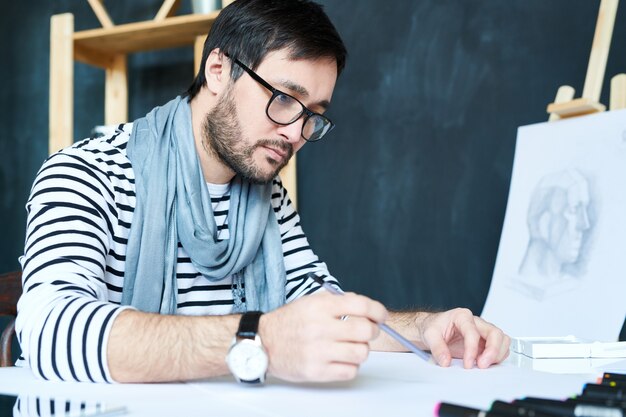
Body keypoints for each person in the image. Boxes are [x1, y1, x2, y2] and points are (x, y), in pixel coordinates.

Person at [17, 0, 510, 384]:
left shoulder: (265, 197)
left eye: (313, 113)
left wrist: (421, 329)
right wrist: (260, 341)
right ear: (218, 70)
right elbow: (48, 333)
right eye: (283, 98)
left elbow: (323, 308)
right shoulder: (85, 172)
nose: (296, 132)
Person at [519, 168, 591, 281]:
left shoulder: (567, 287)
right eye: (573, 210)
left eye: (585, 210)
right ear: (544, 222)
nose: (584, 225)